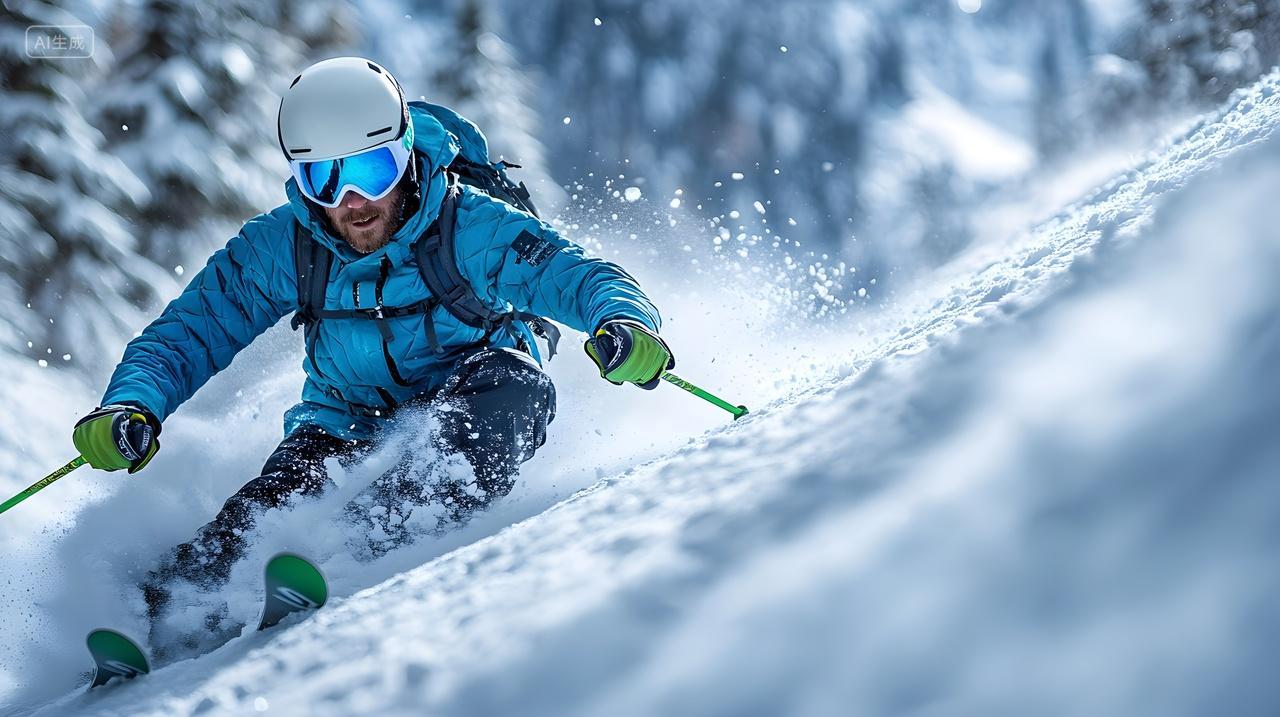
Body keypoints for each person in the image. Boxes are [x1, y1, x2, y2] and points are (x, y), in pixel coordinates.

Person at [69, 57, 672, 634]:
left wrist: (624, 323)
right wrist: (132, 403)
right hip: (343, 420)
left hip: (474, 397)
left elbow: (577, 276)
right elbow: (190, 331)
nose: (352, 201)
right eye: (326, 178)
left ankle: (359, 543)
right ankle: (151, 620)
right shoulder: (286, 244)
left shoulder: (471, 227)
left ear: (406, 156)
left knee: (512, 389)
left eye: (372, 170)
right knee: (254, 523)